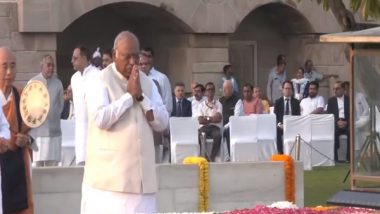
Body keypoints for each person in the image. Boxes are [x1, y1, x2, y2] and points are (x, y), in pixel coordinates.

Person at [81, 31, 169, 213]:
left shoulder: (148, 83)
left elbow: (162, 122)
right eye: (126, 56)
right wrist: (128, 97)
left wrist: (141, 97)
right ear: (114, 55)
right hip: (110, 184)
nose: (132, 62)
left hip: (143, 184)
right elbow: (100, 118)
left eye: (135, 56)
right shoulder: (99, 80)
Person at [0, 47, 33, 214]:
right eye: (4, 66)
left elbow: (32, 137)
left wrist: (25, 140)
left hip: (18, 168)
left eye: (12, 66)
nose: (9, 72)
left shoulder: (22, 97)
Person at [29, 55, 64, 167]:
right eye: (48, 65)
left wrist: (51, 116)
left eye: (52, 65)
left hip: (54, 131)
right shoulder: (33, 83)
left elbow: (60, 106)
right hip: (37, 133)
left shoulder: (58, 83)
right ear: (41, 66)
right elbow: (28, 106)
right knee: (36, 167)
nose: (51, 68)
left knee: (52, 168)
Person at [70, 45, 99, 165]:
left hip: (95, 130)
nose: (72, 61)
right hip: (79, 130)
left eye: (75, 58)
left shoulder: (97, 75)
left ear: (84, 58)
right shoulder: (74, 78)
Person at [194, 82, 222, 162]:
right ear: (205, 92)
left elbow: (218, 118)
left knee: (218, 136)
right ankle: (205, 157)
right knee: (200, 135)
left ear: (214, 91)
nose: (210, 91)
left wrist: (207, 118)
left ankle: (212, 157)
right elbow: (200, 120)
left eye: (212, 89)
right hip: (204, 127)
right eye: (208, 90)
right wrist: (212, 118)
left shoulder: (219, 104)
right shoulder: (201, 105)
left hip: (214, 127)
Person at [141, 47, 173, 114]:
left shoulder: (162, 78)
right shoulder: (133, 78)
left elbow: (168, 105)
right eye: (144, 55)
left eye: (149, 56)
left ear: (152, 58)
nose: (146, 59)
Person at [274, 80, 300, 154]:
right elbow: (275, 115)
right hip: (281, 125)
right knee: (277, 131)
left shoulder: (296, 102)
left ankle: (295, 153)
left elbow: (298, 116)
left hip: (293, 125)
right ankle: (280, 152)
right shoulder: (278, 102)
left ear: (292, 90)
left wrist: (292, 124)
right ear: (282, 90)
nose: (288, 90)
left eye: (289, 88)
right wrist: (279, 124)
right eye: (286, 88)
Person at [327, 81, 350, 161]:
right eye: (334, 89)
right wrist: (336, 122)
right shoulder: (331, 101)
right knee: (333, 132)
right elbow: (329, 115)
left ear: (343, 89)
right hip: (336, 123)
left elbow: (353, 114)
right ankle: (335, 159)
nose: (335, 91)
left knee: (351, 132)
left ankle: (349, 158)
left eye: (337, 88)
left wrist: (347, 122)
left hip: (347, 123)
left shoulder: (349, 100)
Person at [219, 80, 239, 157]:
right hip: (221, 126)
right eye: (223, 88)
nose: (224, 90)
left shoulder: (237, 101)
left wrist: (225, 127)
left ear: (231, 89)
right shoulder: (220, 101)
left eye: (226, 88)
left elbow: (235, 118)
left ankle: (230, 156)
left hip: (233, 127)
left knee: (228, 131)